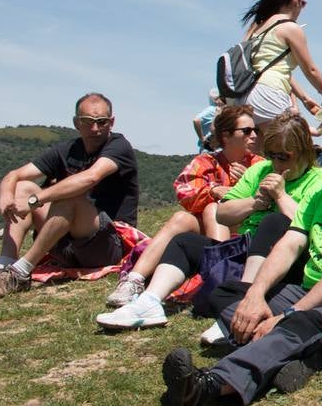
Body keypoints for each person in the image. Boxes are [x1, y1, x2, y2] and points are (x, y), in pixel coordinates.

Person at [156, 113, 322, 406]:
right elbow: (290, 243)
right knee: (234, 298)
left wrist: (288, 315)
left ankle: (208, 387)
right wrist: (256, 295)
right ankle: (298, 358)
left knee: (300, 325)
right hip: (313, 288)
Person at [95, 112, 322, 332]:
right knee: (184, 242)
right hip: (247, 247)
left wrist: (280, 196)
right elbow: (223, 213)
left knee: (274, 221)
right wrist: (255, 202)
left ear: (303, 152)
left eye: (284, 156)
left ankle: (241, 303)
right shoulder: (260, 170)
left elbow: (309, 225)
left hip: (282, 260)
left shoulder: (320, 181)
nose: (277, 162)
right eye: (272, 154)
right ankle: (149, 302)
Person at [0, 93, 138, 300]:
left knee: (70, 196)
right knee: (22, 188)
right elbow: (15, 175)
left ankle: (20, 272)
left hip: (107, 246)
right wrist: (6, 196)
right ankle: (4, 266)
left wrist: (35, 201)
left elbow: (90, 178)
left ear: (111, 123)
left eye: (101, 122)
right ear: (77, 123)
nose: (95, 128)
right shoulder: (66, 150)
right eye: (88, 122)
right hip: (65, 244)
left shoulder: (119, 146)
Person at [104, 105, 261, 308]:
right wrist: (214, 190)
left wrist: (244, 186)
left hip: (245, 230)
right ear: (226, 135)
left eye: (256, 130)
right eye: (247, 131)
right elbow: (185, 193)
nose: (255, 135)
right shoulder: (206, 161)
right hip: (210, 228)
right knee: (182, 218)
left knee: (214, 209)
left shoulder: (259, 165)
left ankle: (218, 275)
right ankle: (134, 280)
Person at [237, 0, 322, 123]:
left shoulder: (257, 26)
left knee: (260, 146)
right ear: (295, 0)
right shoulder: (291, 28)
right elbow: (311, 71)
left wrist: (304, 97)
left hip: (244, 96)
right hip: (270, 95)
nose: (302, 8)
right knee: (286, 146)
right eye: (303, 3)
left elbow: (272, 68)